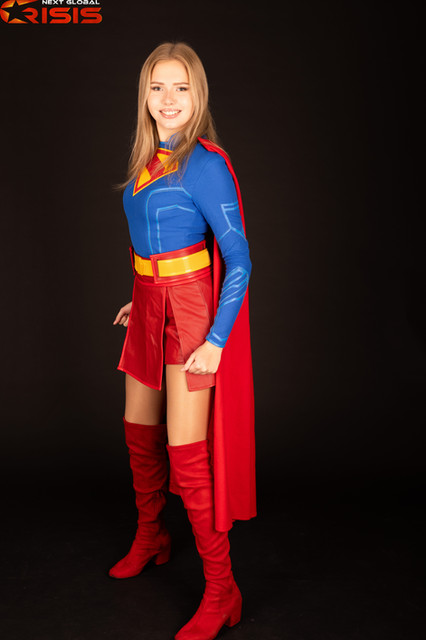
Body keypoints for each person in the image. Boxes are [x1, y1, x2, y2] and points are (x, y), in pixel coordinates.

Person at [110, 41, 256, 640]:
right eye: (157, 87)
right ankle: (153, 536)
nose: (168, 99)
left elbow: (240, 259)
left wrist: (217, 339)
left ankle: (222, 590)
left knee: (186, 452)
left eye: (181, 87)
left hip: (193, 314)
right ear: (144, 95)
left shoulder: (205, 163)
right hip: (149, 304)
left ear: (198, 95)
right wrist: (140, 294)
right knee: (138, 431)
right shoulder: (147, 161)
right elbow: (152, 244)